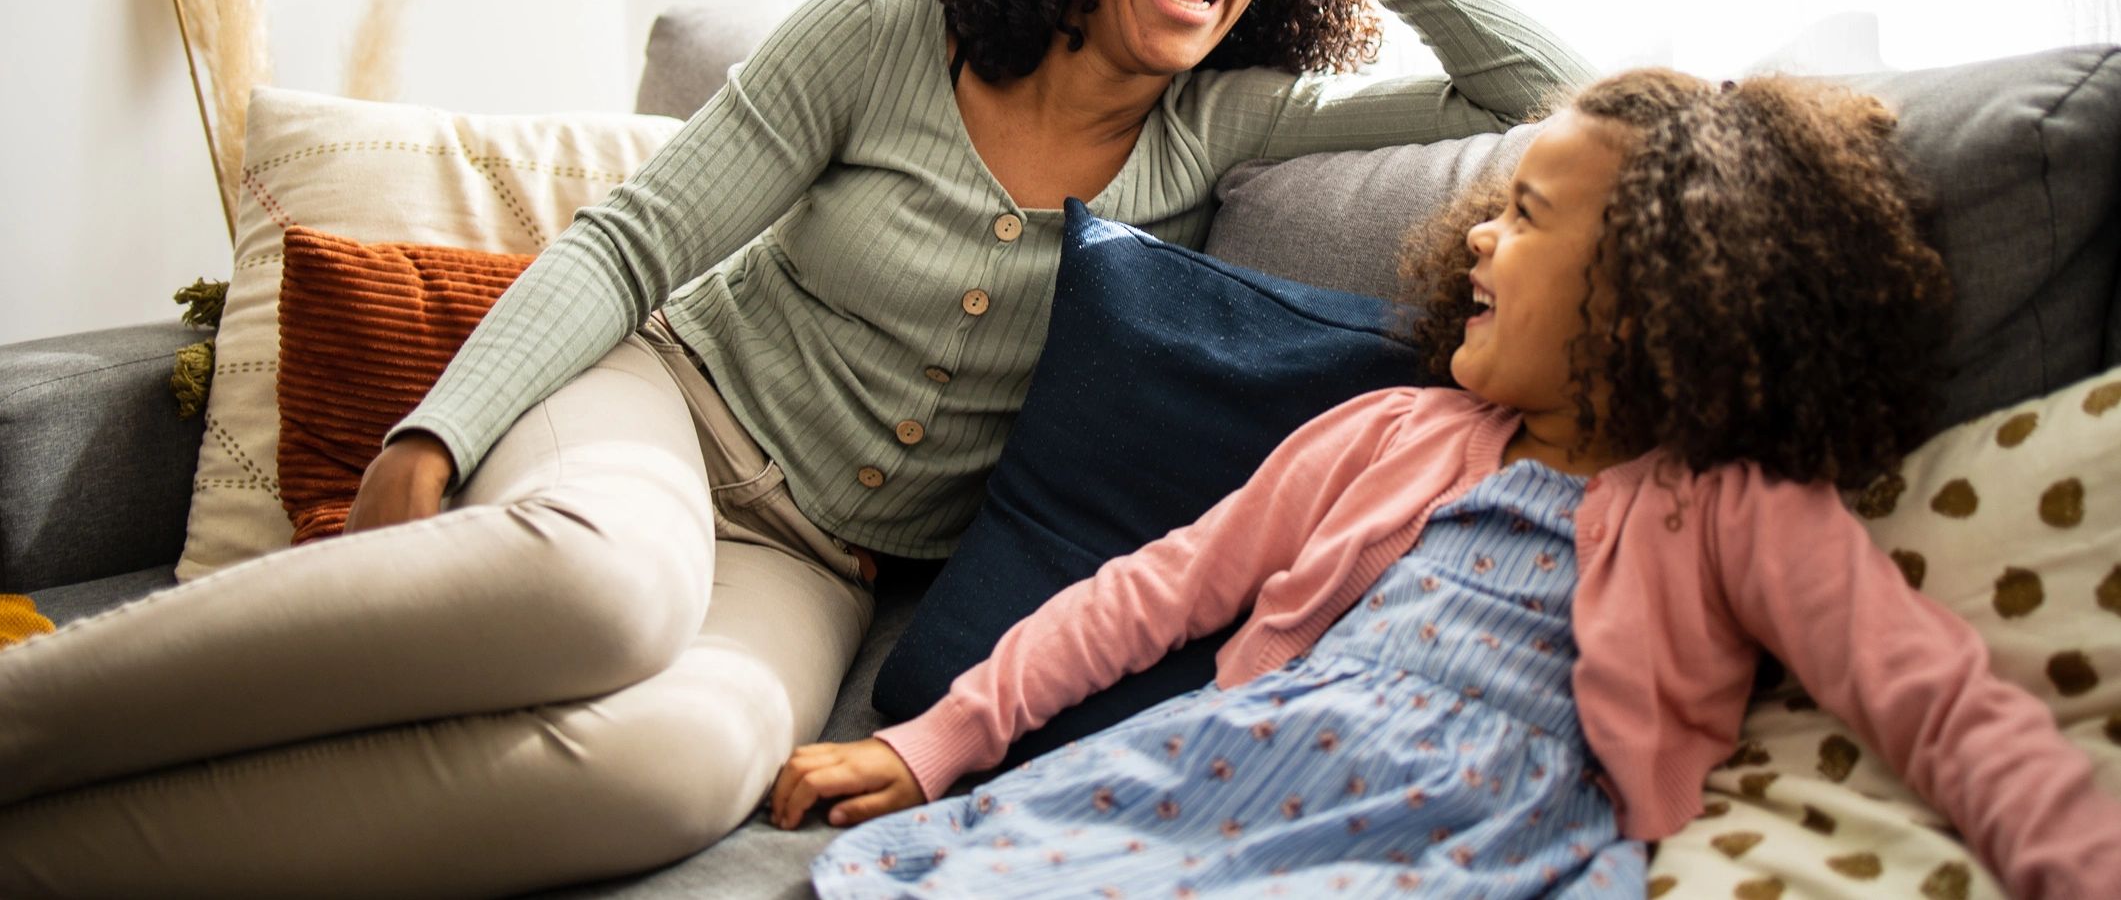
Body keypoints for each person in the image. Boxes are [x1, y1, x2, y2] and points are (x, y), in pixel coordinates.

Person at [0, 0, 1593, 896]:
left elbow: (1554, 94)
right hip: (660, 410)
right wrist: (442, 423)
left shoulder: (1218, 127)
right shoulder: (883, 34)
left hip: (819, 559)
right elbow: (633, 243)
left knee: (683, 764)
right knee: (603, 598)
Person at [774, 70, 2121, 898]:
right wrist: (932, 738)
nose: (1477, 232)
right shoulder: (1389, 432)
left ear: (1658, 286)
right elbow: (1152, 592)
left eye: (1527, 215)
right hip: (1242, 762)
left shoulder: (1728, 502)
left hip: (1488, 838)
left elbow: (1930, 693)